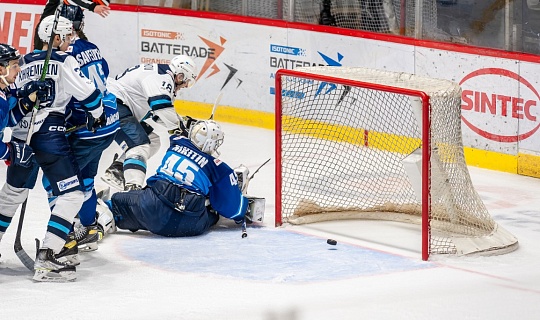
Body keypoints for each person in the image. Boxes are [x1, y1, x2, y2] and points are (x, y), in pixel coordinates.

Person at [5, 15, 105, 282]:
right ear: (56, 37)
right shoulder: (63, 60)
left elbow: (15, 97)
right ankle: (49, 254)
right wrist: (97, 113)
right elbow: (89, 94)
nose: (70, 41)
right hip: (49, 134)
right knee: (72, 194)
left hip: (19, 135)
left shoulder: (22, 62)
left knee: (12, 194)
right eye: (67, 37)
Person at [41, 5, 119, 258]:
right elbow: (103, 76)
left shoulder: (64, 55)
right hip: (109, 123)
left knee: (55, 181)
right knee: (85, 179)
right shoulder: (92, 47)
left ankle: (65, 239)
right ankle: (88, 229)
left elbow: (75, 92)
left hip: (86, 127)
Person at [95, 120, 255, 238]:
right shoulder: (219, 168)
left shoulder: (176, 143)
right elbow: (232, 209)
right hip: (191, 225)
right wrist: (241, 206)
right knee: (213, 209)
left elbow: (181, 135)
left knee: (115, 204)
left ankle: (97, 226)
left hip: (151, 209)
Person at [100, 54, 198, 191]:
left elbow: (157, 114)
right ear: (180, 76)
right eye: (186, 82)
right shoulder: (163, 77)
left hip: (116, 105)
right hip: (113, 106)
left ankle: (117, 169)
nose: (183, 87)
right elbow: (160, 106)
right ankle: (133, 189)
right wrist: (181, 130)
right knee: (140, 146)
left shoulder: (161, 74)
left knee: (153, 141)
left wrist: (184, 123)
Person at [0, 44, 40, 258]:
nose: (18, 71)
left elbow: (10, 120)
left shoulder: (3, 90)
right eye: (14, 66)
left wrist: (28, 99)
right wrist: (9, 152)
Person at [33, 0, 111, 50]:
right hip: (48, 32)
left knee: (86, 53)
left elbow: (104, 2)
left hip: (69, 33)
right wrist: (92, 6)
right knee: (42, 64)